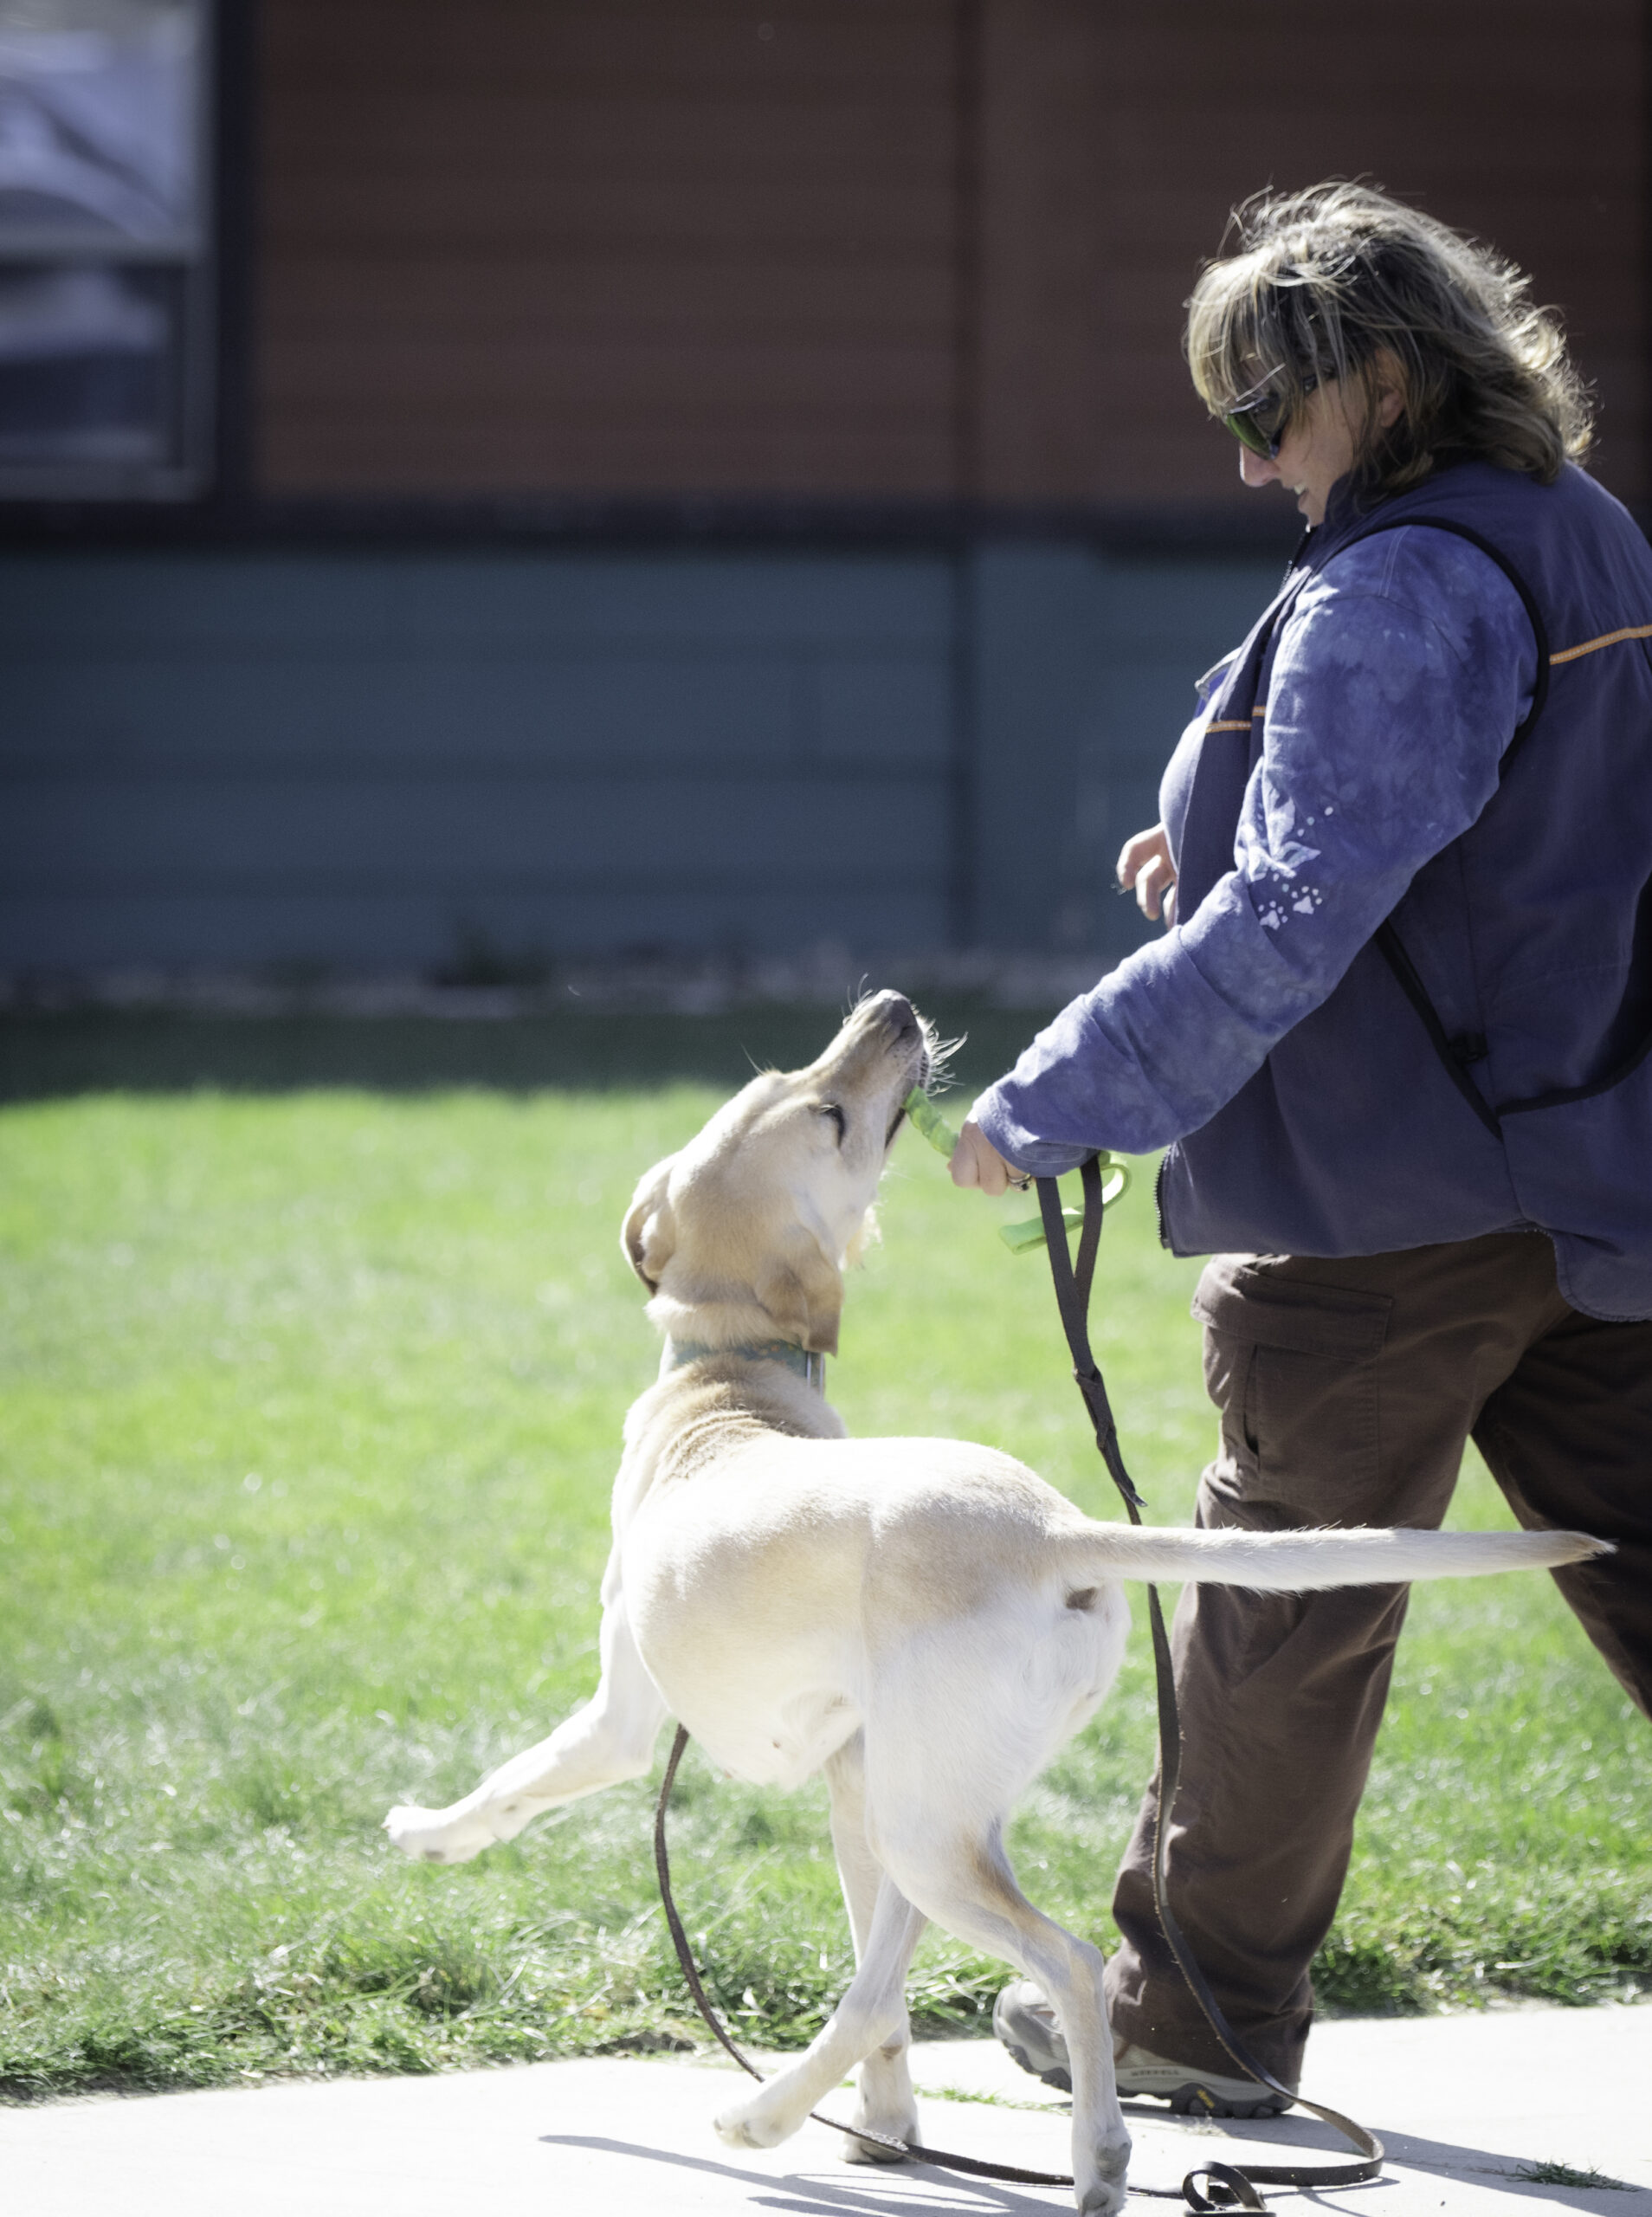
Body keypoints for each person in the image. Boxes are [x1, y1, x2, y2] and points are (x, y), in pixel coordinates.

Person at [948, 181, 1652, 2117]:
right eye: (1231, 420)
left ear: (1391, 376)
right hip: (1591, 1175)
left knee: (1285, 1598)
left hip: (1384, 1213)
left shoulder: (1399, 581)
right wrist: (1234, 840)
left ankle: (1193, 2019)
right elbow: (1521, 850)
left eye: (1270, 409)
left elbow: (1292, 918)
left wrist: (1050, 1094)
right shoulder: (1581, 533)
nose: (1254, 459)